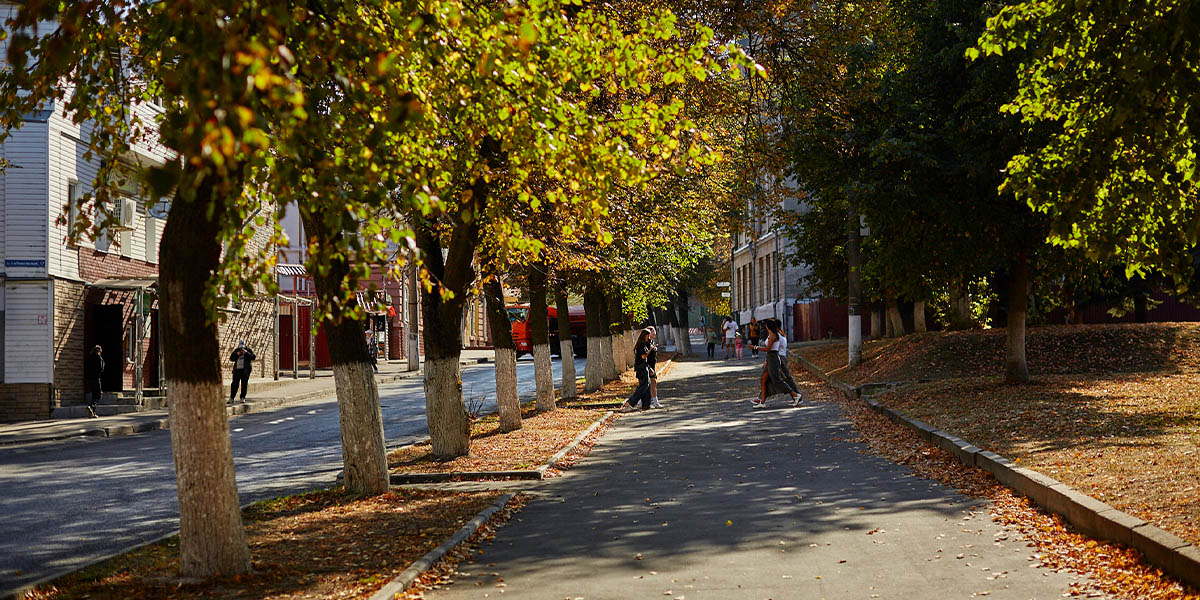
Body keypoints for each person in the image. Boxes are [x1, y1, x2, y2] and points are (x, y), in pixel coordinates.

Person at [752, 318, 801, 409]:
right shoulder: (778, 334)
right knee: (765, 379)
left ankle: (796, 395)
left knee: (781, 379)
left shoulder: (777, 335)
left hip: (778, 358)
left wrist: (755, 348)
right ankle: (762, 399)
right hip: (774, 358)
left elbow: (773, 349)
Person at [621, 327, 656, 411]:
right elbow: (643, 356)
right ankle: (630, 402)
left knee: (646, 386)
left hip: (643, 367)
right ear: (644, 335)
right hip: (641, 368)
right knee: (643, 386)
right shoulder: (641, 344)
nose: (649, 337)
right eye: (648, 335)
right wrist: (651, 349)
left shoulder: (643, 343)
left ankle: (646, 404)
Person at [84, 345, 104, 419]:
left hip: (89, 379)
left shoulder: (89, 358)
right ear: (99, 351)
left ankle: (93, 413)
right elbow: (101, 369)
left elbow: (86, 367)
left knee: (93, 395)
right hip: (96, 379)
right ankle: (91, 406)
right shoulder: (99, 358)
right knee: (98, 395)